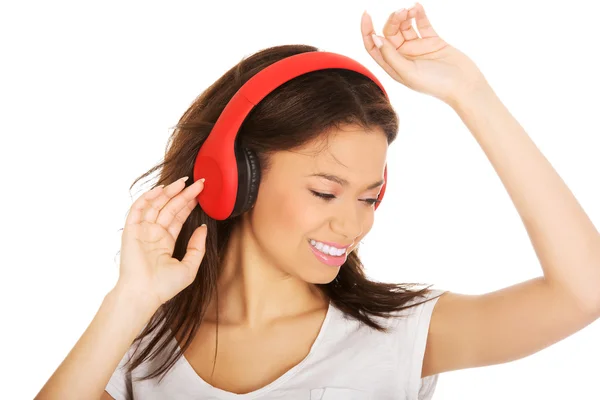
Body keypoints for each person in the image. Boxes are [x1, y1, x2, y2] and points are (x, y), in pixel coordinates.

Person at [36, 3, 600, 400]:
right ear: (236, 176)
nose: (353, 223)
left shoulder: (400, 335)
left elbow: (584, 291)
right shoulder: (139, 351)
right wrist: (128, 300)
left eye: (371, 198)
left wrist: (471, 94)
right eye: (326, 190)